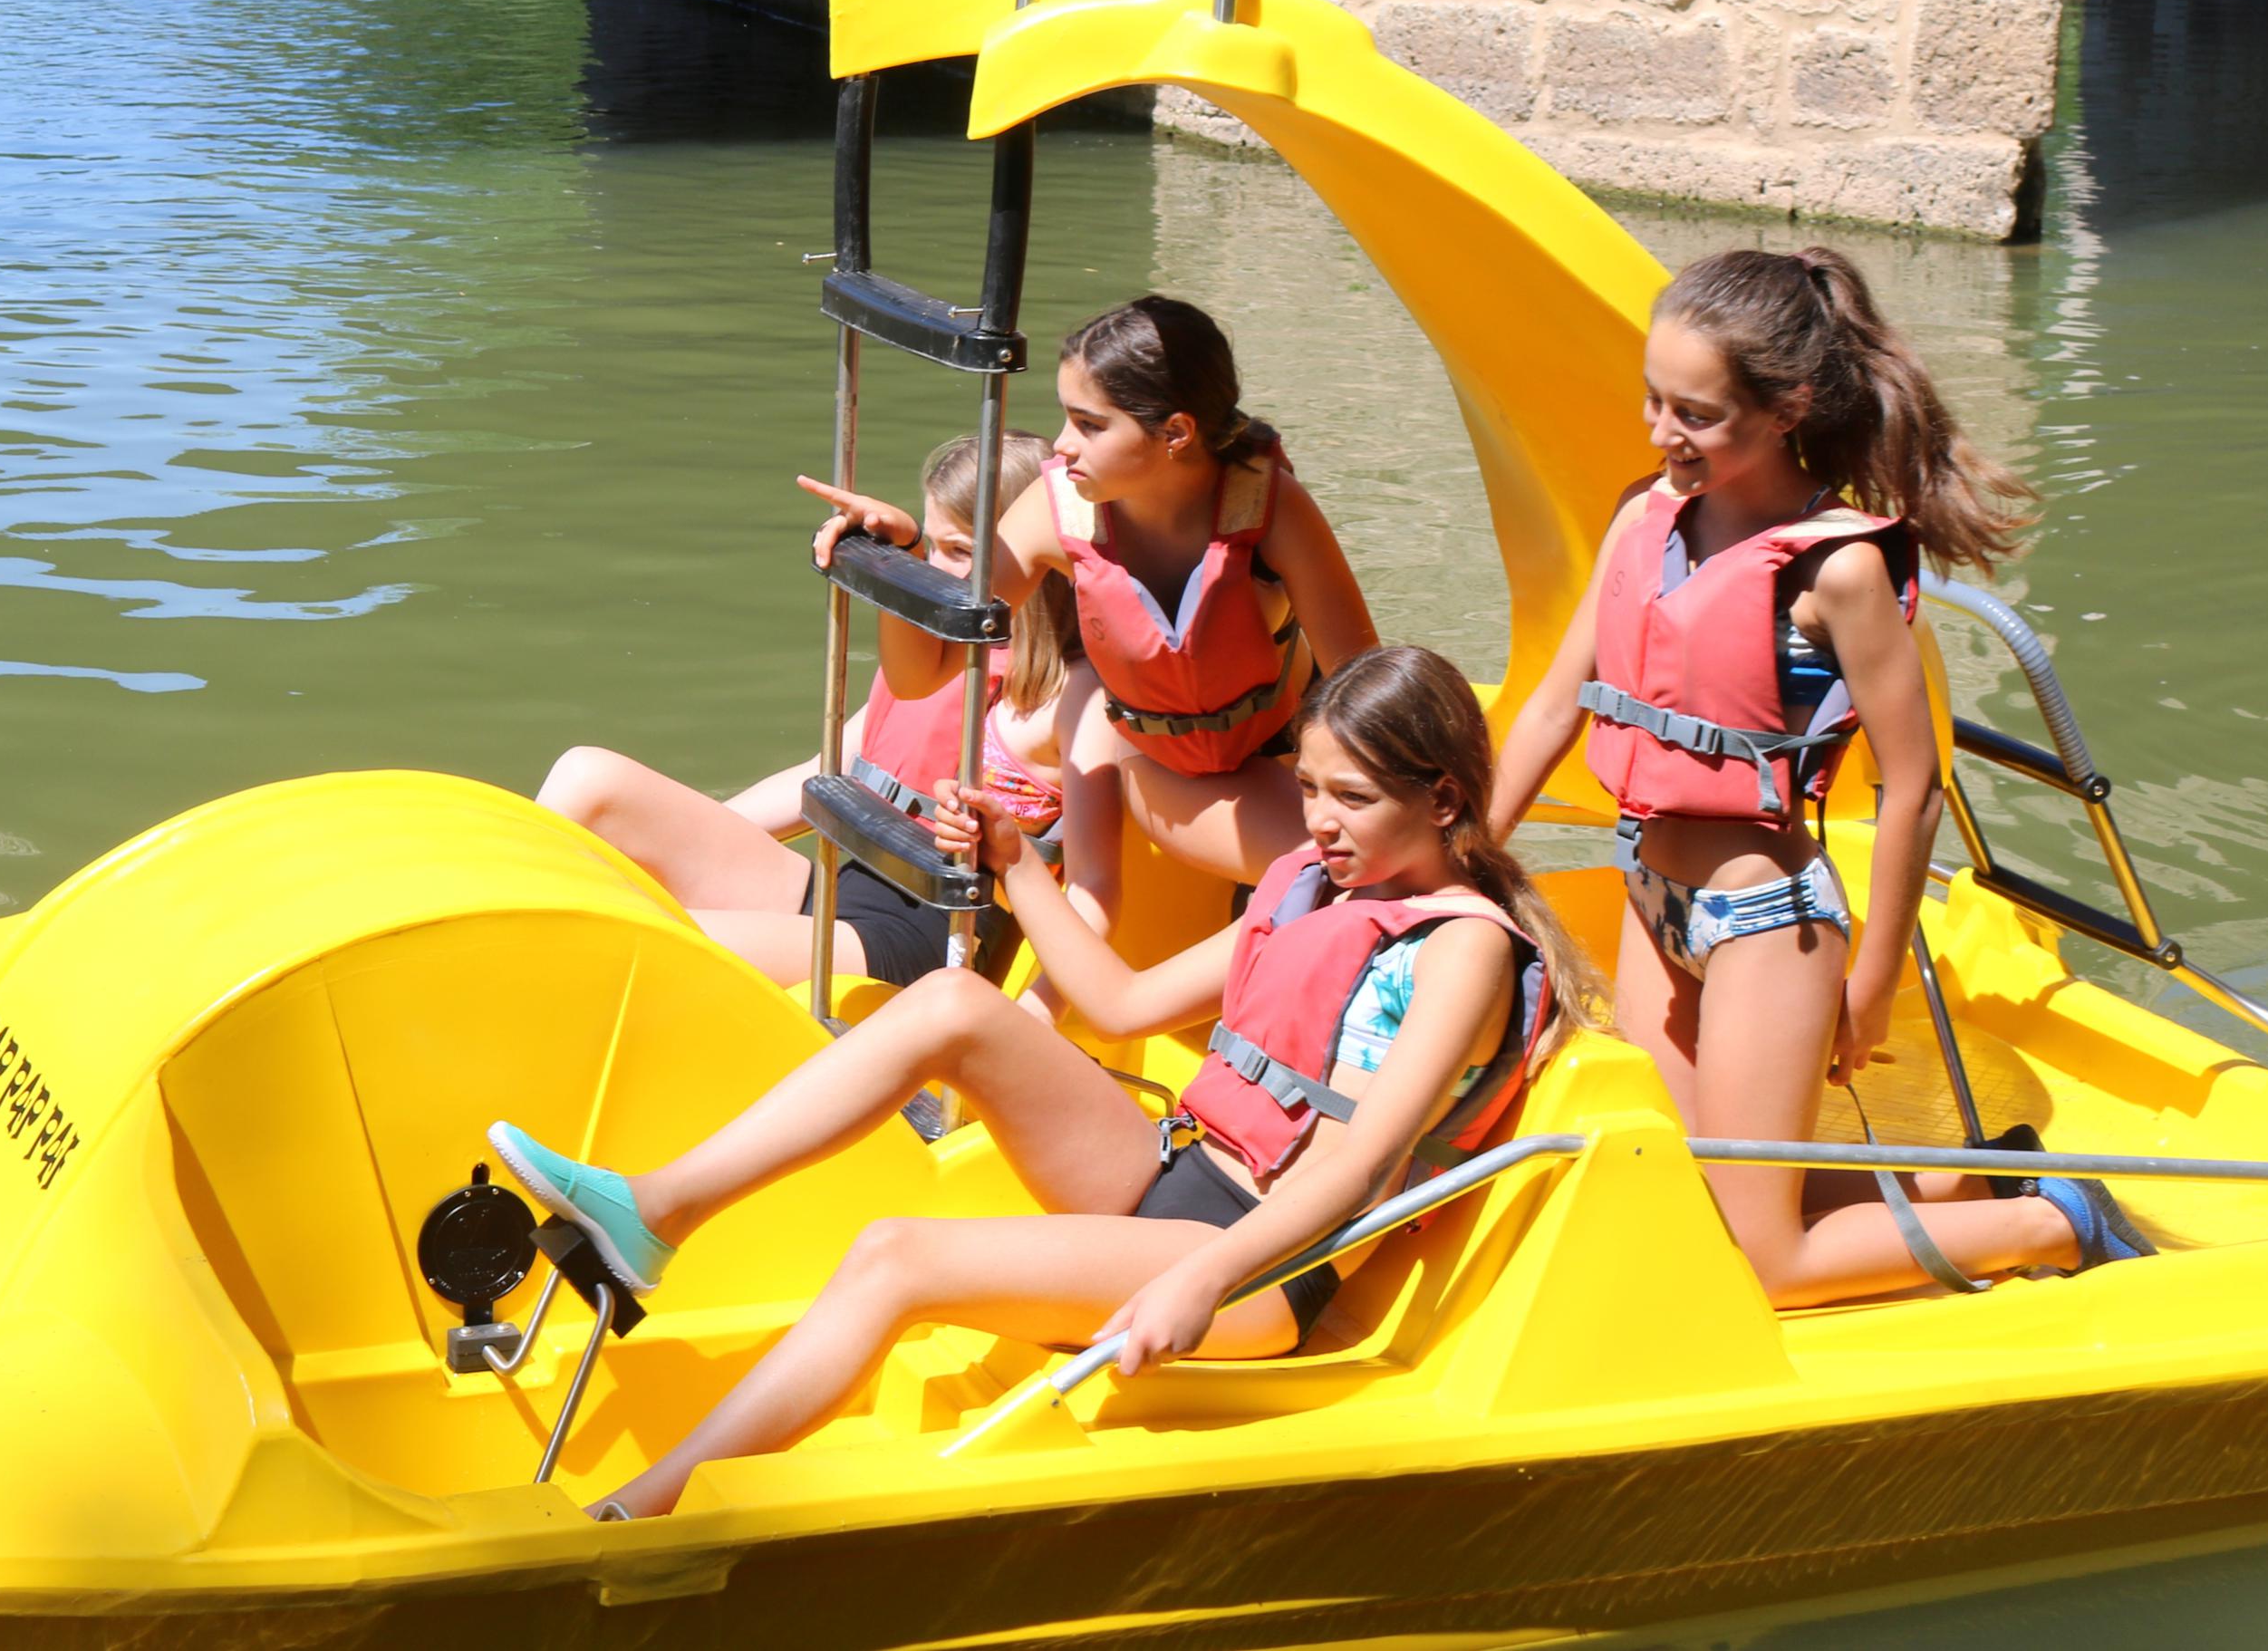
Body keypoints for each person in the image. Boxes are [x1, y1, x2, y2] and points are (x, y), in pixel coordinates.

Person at [492, 646, 1597, 1519]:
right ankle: (654, 1210)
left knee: (896, 1253)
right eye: (1306, 787)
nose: (1317, 821)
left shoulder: (1462, 950)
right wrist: (1020, 865)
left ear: (1445, 798)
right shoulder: (1312, 884)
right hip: (1172, 1172)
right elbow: (1117, 1004)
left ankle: (650, 1508)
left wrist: (1203, 1278)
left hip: (1264, 1265)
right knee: (949, 1008)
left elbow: (1354, 1166)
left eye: (1349, 798)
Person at [1489, 246, 2151, 1306]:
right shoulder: (1638, 516)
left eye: (1696, 414)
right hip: (1649, 894)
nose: (1662, 433)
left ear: (1788, 406)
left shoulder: (1833, 567)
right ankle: (1967, 1182)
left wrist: (1871, 982)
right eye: (1653, 400)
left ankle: (2054, 1216)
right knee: (1691, 1192)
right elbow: (1553, 701)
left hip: (1767, 925)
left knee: (1768, 1263)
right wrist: (1466, 862)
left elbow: (1912, 784)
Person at [806, 295, 1379, 929]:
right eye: (1065, 418)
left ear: (1176, 433)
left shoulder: (1269, 509)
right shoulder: (1054, 511)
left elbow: (1362, 684)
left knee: (1380, 867)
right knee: (1333, 875)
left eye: (1089, 424)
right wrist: (905, 562)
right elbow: (926, 672)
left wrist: (1345, 802)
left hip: (1277, 760)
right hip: (1162, 776)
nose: (1060, 444)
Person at [537, 434, 1093, 987]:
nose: (933, 572)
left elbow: (1094, 894)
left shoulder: (1066, 698)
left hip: (923, 946)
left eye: (960, 552)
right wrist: (691, 841)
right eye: (931, 547)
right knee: (589, 778)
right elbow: (824, 774)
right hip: (845, 889)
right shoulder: (940, 660)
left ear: (1035, 557)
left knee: (630, 930)